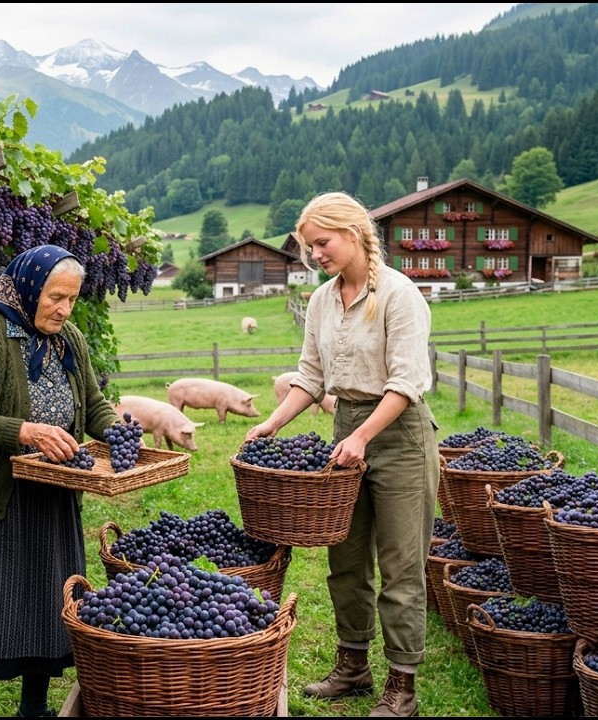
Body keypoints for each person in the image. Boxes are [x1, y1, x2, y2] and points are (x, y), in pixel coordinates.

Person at [244, 191, 438, 717]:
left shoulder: (399, 295)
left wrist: (362, 438)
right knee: (345, 559)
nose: (315, 256)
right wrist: (272, 422)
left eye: (321, 244)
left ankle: (403, 684)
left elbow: (406, 383)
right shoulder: (322, 301)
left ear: (353, 233)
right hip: (347, 426)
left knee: (401, 565)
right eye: (309, 249)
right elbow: (309, 377)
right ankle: (353, 665)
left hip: (399, 432)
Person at [0, 243, 120, 717]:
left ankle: (34, 707)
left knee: (45, 606)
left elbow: (92, 405)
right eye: (55, 297)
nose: (63, 308)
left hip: (51, 495)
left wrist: (121, 433)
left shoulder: (69, 338)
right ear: (30, 286)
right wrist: (24, 431)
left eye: (71, 299)